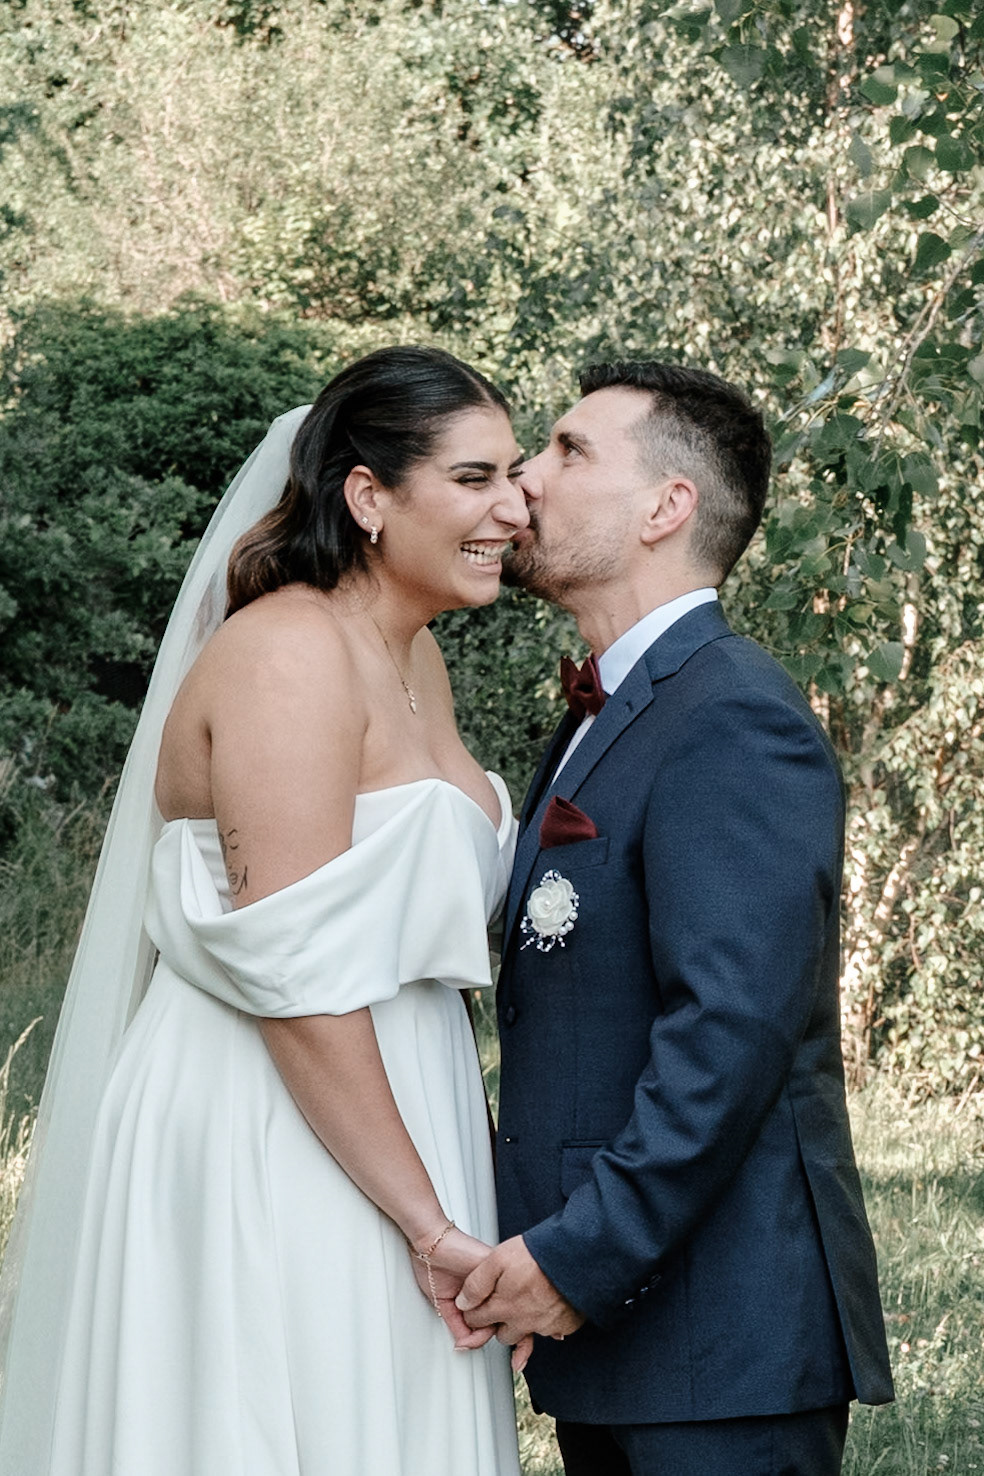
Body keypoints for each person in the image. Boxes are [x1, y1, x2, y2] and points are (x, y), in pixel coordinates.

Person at [0, 345, 532, 1476]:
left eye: (515, 475)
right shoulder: (289, 652)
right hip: (278, 1110)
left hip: (402, 1100)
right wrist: (428, 1224)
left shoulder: (415, 659)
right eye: (475, 478)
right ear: (369, 496)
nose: (514, 508)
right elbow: (295, 975)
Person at [457, 360, 895, 1475]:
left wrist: (577, 1256)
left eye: (568, 450)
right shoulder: (613, 709)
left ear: (667, 507)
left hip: (723, 1337)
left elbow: (729, 1033)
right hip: (632, 1333)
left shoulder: (735, 715)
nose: (525, 477)